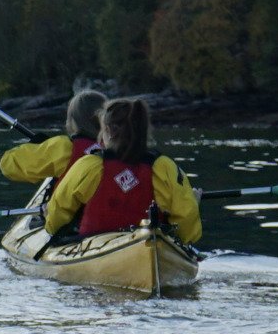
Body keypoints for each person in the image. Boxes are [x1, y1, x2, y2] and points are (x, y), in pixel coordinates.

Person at [42, 96, 202, 246]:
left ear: (109, 131)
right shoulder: (164, 167)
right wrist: (193, 204)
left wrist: (50, 221)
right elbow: (187, 225)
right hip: (151, 244)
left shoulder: (89, 165)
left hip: (93, 245)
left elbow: (58, 212)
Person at [0, 89, 107, 185]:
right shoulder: (119, 146)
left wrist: (37, 147)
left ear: (73, 122)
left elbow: (8, 165)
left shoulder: (63, 148)